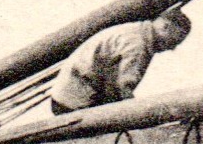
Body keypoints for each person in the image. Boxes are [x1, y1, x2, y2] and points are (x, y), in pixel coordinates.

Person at [48, 7, 192, 114]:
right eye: (174, 41)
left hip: (65, 95)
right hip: (74, 103)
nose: (172, 48)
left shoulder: (134, 30)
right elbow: (123, 88)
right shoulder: (138, 44)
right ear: (165, 27)